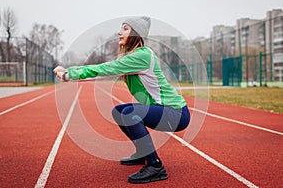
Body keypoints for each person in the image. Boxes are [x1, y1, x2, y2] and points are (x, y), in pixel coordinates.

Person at [53, 16, 190, 184]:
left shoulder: (142, 55)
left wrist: (70, 74)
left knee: (129, 113)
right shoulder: (134, 56)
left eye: (125, 28)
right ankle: (143, 153)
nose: (119, 32)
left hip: (175, 113)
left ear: (136, 34)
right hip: (164, 111)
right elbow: (106, 70)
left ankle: (155, 166)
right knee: (119, 111)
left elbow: (105, 69)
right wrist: (70, 70)